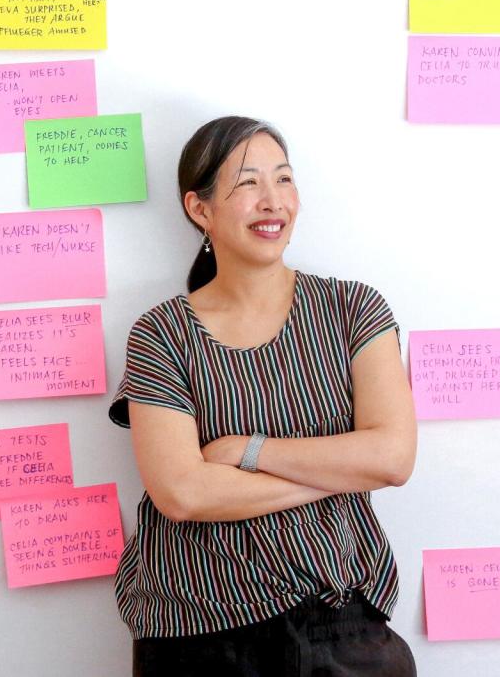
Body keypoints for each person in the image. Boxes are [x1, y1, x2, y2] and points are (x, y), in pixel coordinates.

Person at [109, 116, 418, 676]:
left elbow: (393, 460)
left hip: (340, 621)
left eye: (284, 179)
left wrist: (246, 451)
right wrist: (340, 470)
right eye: (248, 183)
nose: (273, 201)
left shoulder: (355, 310)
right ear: (200, 209)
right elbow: (182, 493)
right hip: (196, 629)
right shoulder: (160, 334)